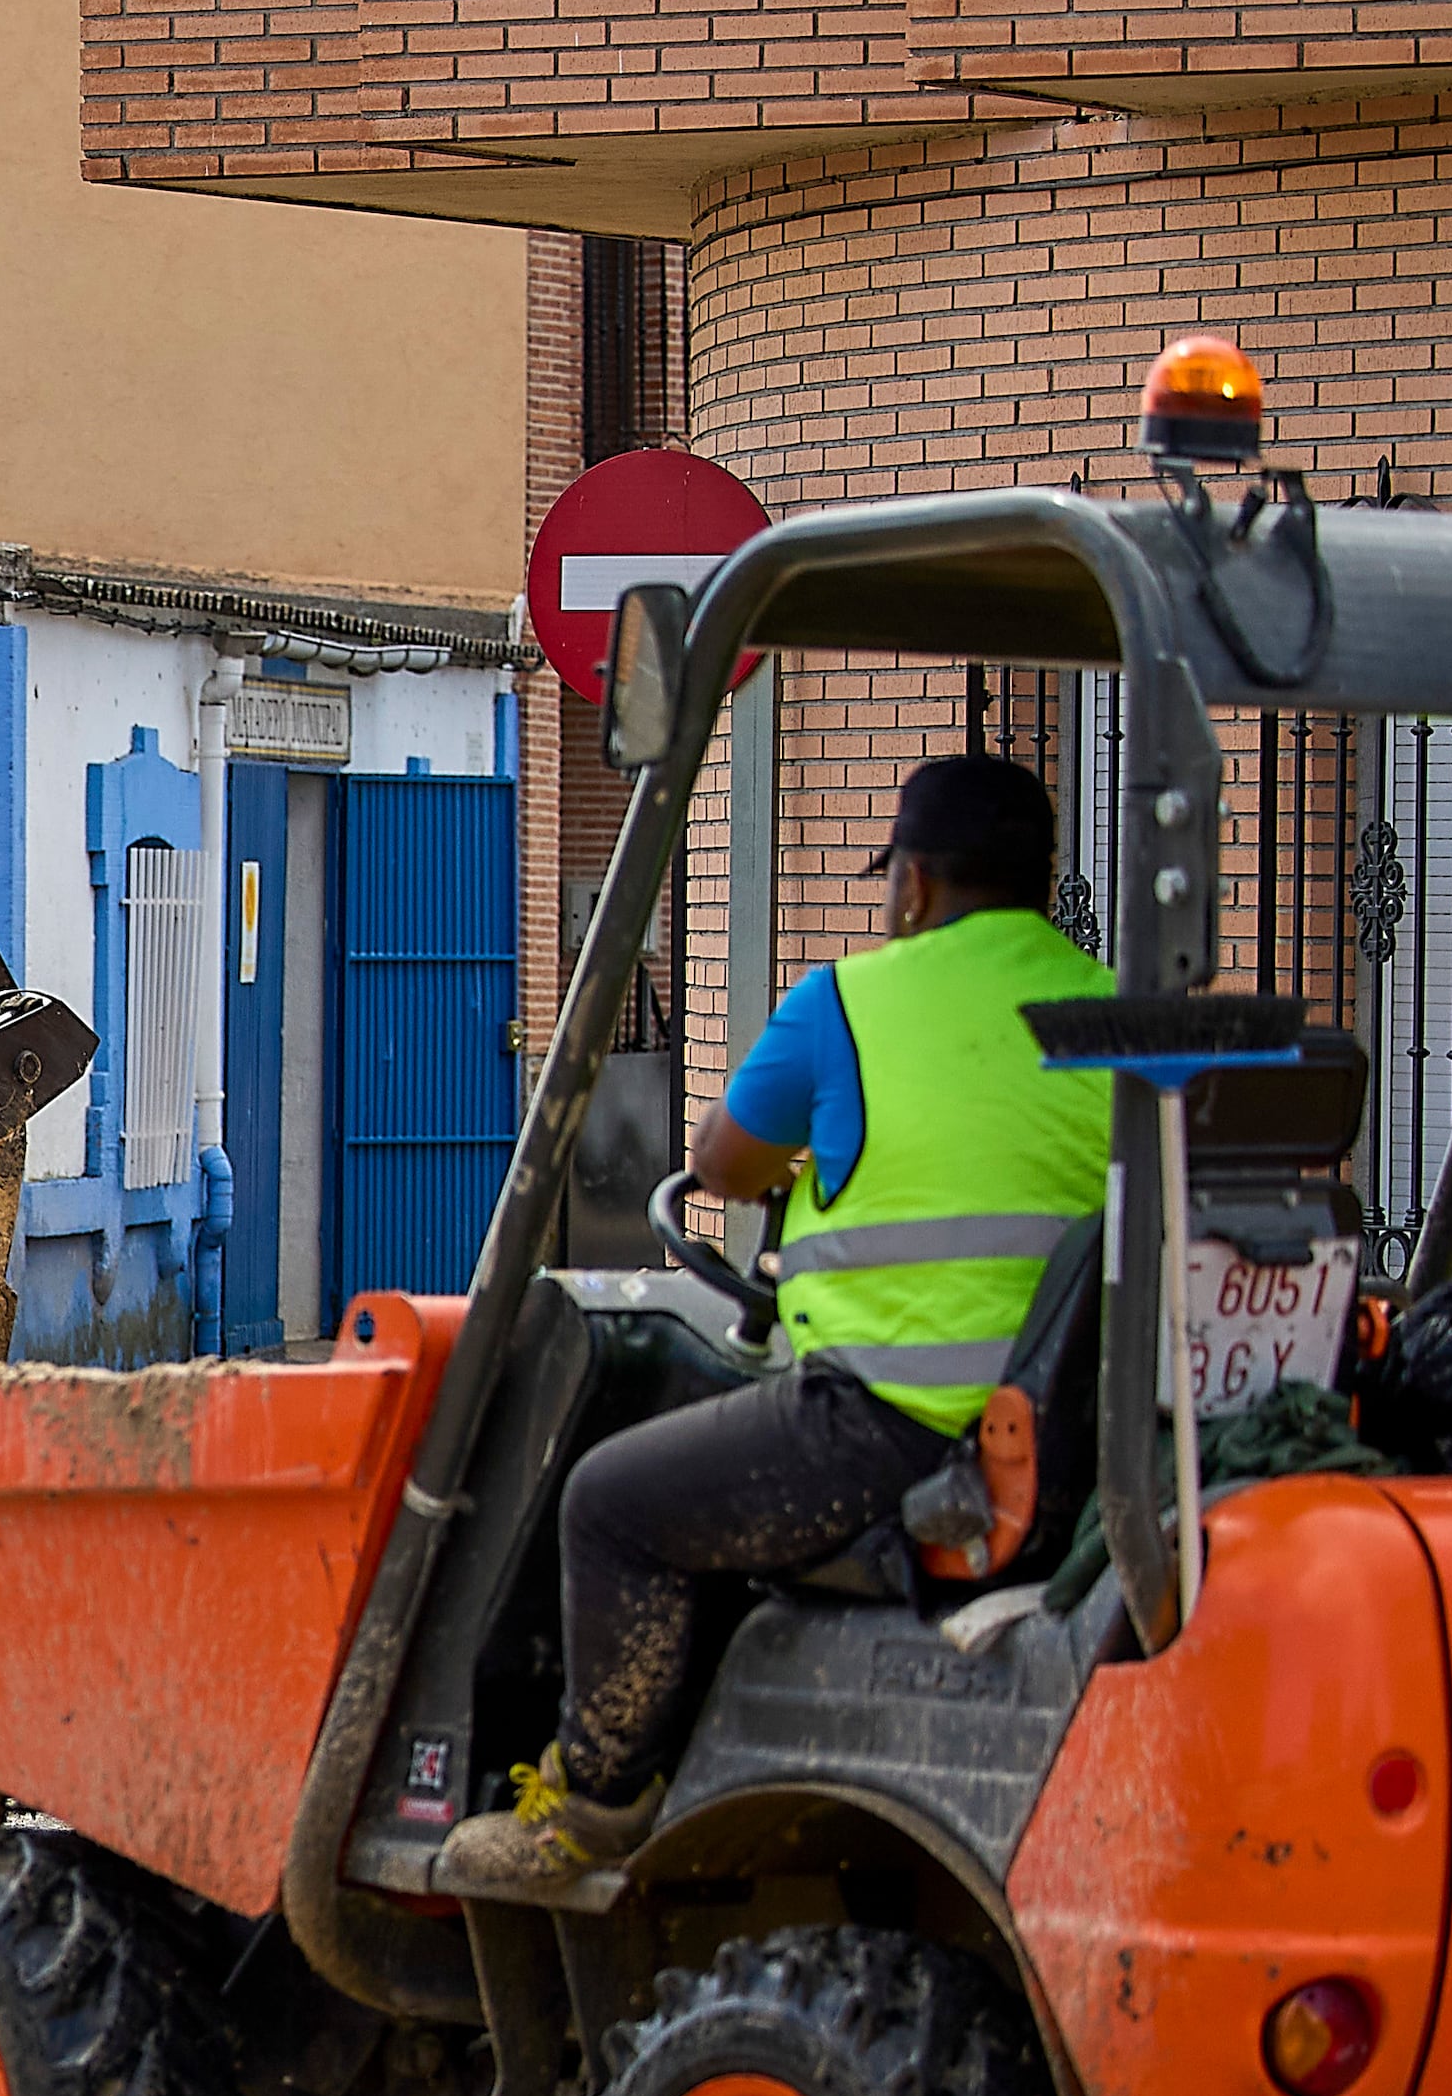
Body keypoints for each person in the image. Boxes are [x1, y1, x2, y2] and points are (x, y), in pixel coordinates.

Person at [434, 752, 1113, 1897]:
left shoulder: (845, 1004)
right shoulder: (1105, 1014)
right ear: (1038, 883)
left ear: (910, 886)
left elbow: (719, 1162)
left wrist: (800, 1176)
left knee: (611, 1503)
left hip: (890, 1428)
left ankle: (591, 1814)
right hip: (1064, 1431)